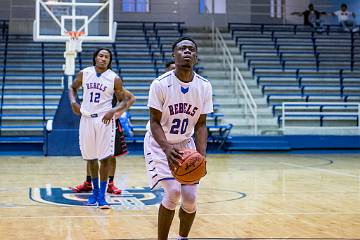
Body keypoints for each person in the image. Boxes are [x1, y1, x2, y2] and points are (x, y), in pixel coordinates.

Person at [144, 37, 213, 240]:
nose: (187, 52)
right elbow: (155, 122)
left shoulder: (204, 86)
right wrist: (166, 149)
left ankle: (183, 238)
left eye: (191, 49)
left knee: (190, 199)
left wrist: (201, 156)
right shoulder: (160, 84)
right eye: (182, 49)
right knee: (173, 192)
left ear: (196, 56)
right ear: (174, 55)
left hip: (186, 144)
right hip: (160, 144)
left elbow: (201, 124)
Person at [69, 48, 134, 209]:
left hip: (105, 120)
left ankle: (102, 196)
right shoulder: (85, 73)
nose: (103, 58)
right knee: (90, 158)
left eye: (107, 57)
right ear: (95, 58)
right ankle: (95, 192)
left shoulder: (114, 78)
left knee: (105, 158)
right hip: (86, 118)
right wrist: (73, 102)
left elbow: (123, 101)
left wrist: (113, 111)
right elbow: (72, 88)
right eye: (101, 55)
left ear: (109, 60)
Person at [70, 90, 135, 195]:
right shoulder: (92, 82)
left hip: (110, 122)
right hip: (93, 120)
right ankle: (88, 182)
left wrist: (120, 112)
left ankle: (110, 184)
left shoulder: (114, 83)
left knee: (111, 154)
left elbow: (131, 98)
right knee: (91, 154)